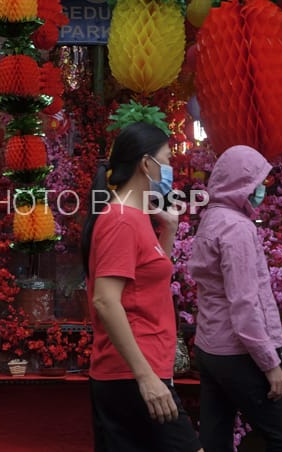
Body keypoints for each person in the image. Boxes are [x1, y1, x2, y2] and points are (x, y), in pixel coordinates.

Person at [81, 122, 202, 452]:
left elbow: (150, 280)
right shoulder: (120, 219)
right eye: (167, 159)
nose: (171, 169)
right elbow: (106, 301)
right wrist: (145, 377)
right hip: (133, 373)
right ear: (146, 164)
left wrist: (170, 230)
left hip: (142, 369)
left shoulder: (138, 217)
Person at [188, 145, 282, 452]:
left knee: (215, 440)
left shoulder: (210, 219)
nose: (259, 191)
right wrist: (270, 363)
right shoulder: (237, 228)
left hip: (209, 348)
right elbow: (244, 304)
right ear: (240, 185)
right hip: (237, 350)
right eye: (257, 184)